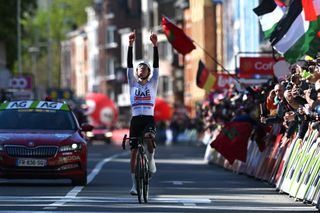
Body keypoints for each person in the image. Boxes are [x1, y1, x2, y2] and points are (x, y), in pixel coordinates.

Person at [127, 30, 158, 195]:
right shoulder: (132, 84)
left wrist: (155, 46)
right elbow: (129, 65)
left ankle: (151, 159)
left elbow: (157, 65)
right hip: (135, 120)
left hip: (148, 118)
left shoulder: (153, 84)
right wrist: (130, 45)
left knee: (149, 137)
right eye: (139, 68)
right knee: (133, 154)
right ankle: (134, 185)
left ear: (149, 72)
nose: (140, 69)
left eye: (144, 68)